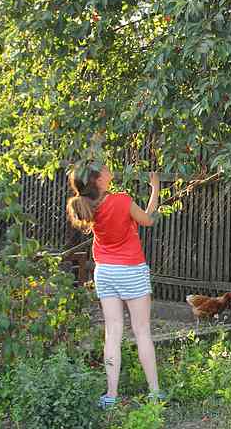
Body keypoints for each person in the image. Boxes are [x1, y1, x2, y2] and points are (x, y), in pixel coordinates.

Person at [66, 162, 162, 409]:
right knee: (142, 331)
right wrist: (155, 189)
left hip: (105, 272)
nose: (110, 171)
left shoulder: (91, 205)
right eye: (105, 170)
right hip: (131, 270)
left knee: (112, 333)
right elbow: (148, 220)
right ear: (98, 180)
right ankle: (154, 393)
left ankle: (111, 395)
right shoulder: (121, 201)